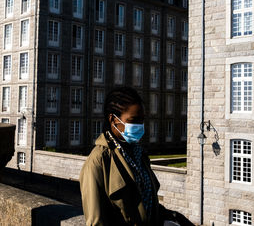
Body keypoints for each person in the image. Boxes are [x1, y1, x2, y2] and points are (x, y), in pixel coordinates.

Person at [80, 87, 193, 226]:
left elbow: (148, 206)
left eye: (142, 120)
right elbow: (96, 221)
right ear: (113, 120)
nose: (139, 126)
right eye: (133, 120)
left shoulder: (139, 154)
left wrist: (176, 218)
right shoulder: (98, 161)